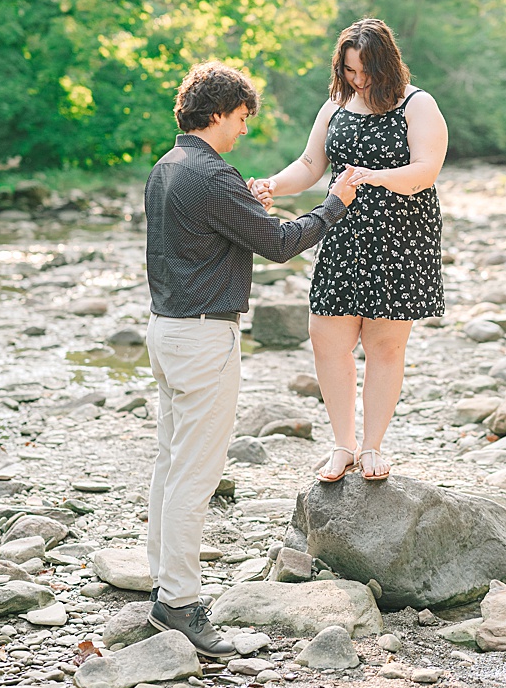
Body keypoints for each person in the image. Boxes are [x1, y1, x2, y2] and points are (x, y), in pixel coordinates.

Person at [144, 62, 358, 655]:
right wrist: (334, 201)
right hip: (203, 337)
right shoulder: (215, 176)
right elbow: (280, 244)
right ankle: (179, 604)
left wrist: (252, 198)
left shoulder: (166, 167)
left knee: (170, 463)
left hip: (164, 330)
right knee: (195, 473)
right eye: (240, 119)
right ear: (217, 113)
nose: (243, 131)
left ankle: (163, 584)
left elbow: (230, 227)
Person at [253, 19, 448, 483]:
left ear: (387, 65)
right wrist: (272, 186)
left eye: (365, 71)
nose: (358, 80)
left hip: (402, 237)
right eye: (349, 70)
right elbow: (309, 164)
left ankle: (373, 446)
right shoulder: (336, 103)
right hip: (342, 231)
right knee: (328, 339)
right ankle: (343, 445)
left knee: (384, 345)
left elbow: (426, 171)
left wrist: (374, 176)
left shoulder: (418, 105)